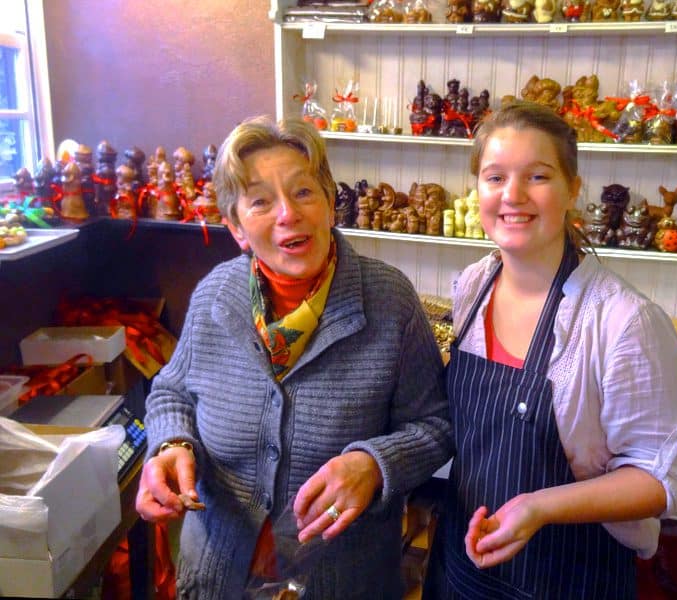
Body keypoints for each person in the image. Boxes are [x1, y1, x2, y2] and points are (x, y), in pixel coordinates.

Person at [135, 115, 453, 599]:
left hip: (345, 580)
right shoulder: (215, 296)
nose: (288, 214)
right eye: (261, 201)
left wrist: (374, 463)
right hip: (220, 574)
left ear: (330, 204)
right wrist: (170, 445)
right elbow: (172, 391)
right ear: (237, 228)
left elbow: (436, 425)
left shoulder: (389, 300)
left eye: (304, 192)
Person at [425, 101, 677, 599]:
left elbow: (668, 478)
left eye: (537, 176)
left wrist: (540, 507)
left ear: (573, 189)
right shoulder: (473, 286)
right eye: (494, 177)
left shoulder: (622, 321)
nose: (512, 196)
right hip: (463, 565)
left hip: (569, 576)